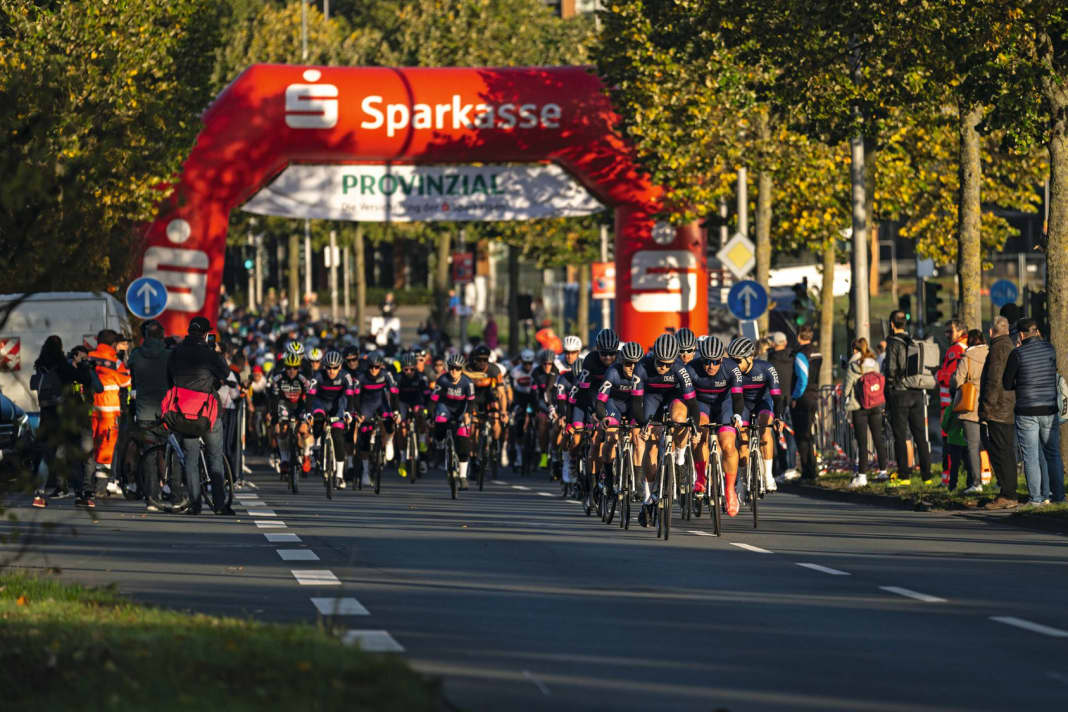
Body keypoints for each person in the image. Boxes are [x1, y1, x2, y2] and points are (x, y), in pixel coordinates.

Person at [167, 316, 234, 515]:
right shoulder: (209, 353)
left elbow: (168, 378)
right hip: (208, 411)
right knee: (215, 457)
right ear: (206, 334)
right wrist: (217, 354)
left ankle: (195, 504)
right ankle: (220, 505)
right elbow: (225, 372)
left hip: (185, 411)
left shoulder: (176, 352)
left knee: (190, 459)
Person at [1002, 318, 1065, 505]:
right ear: (1036, 332)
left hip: (1027, 410)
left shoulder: (1017, 354)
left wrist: (1020, 383)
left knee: (1030, 456)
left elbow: (1006, 383)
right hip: (1049, 408)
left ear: (1021, 335)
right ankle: (1059, 497)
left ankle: (1036, 498)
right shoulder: (1050, 349)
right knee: (1052, 453)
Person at [30, 336, 95, 507]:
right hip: (65, 416)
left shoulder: (40, 366)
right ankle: (80, 495)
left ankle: (38, 495)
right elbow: (85, 380)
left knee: (45, 456)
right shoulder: (62, 365)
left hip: (47, 416)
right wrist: (83, 366)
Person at [883, 309, 933, 484]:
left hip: (899, 393)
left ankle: (904, 474)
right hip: (916, 391)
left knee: (901, 435)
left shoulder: (893, 343)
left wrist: (890, 387)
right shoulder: (913, 341)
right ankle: (927, 475)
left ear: (891, 324)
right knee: (920, 435)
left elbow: (890, 369)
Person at [127, 320, 171, 511]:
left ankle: (151, 497)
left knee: (149, 454)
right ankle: (171, 489)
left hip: (144, 411)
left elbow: (133, 380)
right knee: (169, 453)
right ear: (162, 335)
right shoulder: (169, 355)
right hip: (166, 411)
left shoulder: (136, 355)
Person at [979, 316, 1018, 509]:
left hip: (998, 409)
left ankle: (1008, 494)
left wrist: (986, 408)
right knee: (1006, 451)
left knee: (1000, 452)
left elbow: (993, 380)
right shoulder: (1008, 345)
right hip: (1007, 407)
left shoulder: (997, 348)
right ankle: (1008, 492)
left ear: (991, 331)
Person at [88, 329, 132, 493]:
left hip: (90, 409)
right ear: (113, 344)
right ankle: (101, 486)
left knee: (90, 445)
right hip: (109, 409)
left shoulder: (90, 356)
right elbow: (125, 381)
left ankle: (87, 484)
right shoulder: (115, 361)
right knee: (106, 447)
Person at [843, 338, 887, 488]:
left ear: (854, 350)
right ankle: (883, 470)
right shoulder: (874, 364)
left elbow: (846, 389)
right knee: (878, 438)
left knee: (862, 442)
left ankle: (862, 476)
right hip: (876, 405)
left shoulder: (853, 366)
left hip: (859, 407)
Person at [430, 353, 476, 489]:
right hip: (445, 407)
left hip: (462, 410)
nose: (453, 371)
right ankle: (441, 443)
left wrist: (468, 414)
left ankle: (462, 477)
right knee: (439, 420)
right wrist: (429, 415)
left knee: (463, 439)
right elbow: (433, 399)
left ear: (461, 369)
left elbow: (471, 402)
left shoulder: (468, 383)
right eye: (451, 368)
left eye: (457, 368)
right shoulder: (442, 380)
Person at [953, 329, 988, 494]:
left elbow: (957, 380)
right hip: (990, 404)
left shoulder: (967, 357)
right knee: (992, 444)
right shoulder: (991, 354)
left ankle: (976, 482)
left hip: (971, 405)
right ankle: (996, 480)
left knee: (972, 446)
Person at [936, 319, 968, 481]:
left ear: (961, 331)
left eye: (950, 331)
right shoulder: (967, 349)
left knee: (949, 443)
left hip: (949, 404)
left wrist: (938, 374)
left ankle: (948, 478)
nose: (947, 334)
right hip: (964, 403)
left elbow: (947, 377)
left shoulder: (954, 350)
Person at [790, 325, 822, 481]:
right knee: (809, 435)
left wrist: (795, 397)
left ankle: (807, 471)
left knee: (802, 437)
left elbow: (802, 379)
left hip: (803, 398)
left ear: (798, 337)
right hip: (814, 394)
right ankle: (812, 469)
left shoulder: (801, 355)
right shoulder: (817, 352)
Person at [765, 331, 798, 480]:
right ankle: (791, 467)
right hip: (789, 399)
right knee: (790, 435)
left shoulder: (771, 360)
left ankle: (781, 468)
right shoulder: (793, 357)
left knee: (776, 435)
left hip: (775, 401)